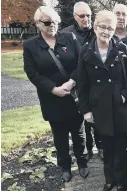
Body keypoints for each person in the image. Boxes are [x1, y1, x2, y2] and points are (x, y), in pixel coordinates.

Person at [77, 10, 127, 191]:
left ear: (114, 30)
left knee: (120, 146)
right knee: (106, 146)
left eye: (110, 28)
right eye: (102, 27)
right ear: (95, 27)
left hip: (120, 107)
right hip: (99, 108)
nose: (106, 31)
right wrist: (86, 110)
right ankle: (109, 179)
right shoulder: (86, 51)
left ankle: (122, 181)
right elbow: (82, 83)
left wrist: (125, 95)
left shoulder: (121, 49)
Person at [23, 6, 89, 182]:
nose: (52, 25)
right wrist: (53, 89)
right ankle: (65, 166)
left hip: (73, 95)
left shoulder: (69, 38)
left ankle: (82, 163)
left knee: (79, 133)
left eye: (55, 21)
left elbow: (81, 63)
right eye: (47, 22)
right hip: (52, 99)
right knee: (59, 135)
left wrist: (71, 82)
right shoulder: (30, 46)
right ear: (38, 24)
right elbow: (32, 73)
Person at [61, 1, 102, 161]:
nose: (86, 19)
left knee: (98, 117)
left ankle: (101, 147)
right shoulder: (65, 34)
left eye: (89, 15)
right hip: (77, 83)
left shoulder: (98, 31)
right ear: (74, 17)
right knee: (83, 119)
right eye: (82, 16)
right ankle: (88, 149)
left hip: (97, 82)